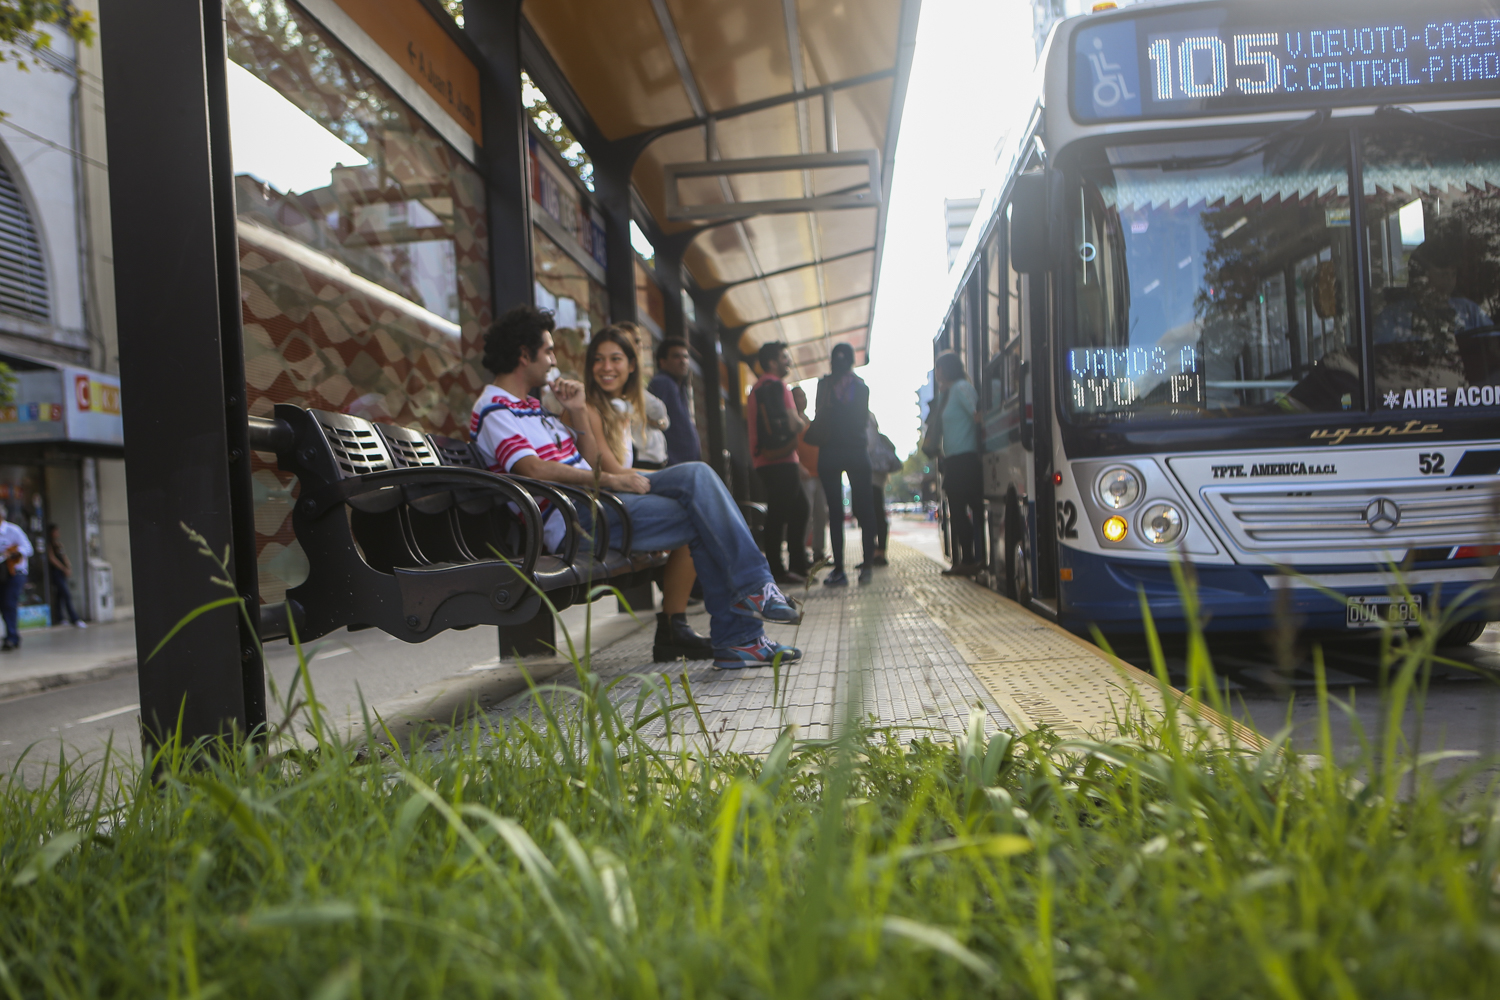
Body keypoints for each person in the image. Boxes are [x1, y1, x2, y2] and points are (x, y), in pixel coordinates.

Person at [473, 305, 801, 670]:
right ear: (523, 355)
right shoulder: (494, 410)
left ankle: (753, 595)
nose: (552, 360)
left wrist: (577, 411)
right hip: (574, 519)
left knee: (697, 475)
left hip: (597, 502)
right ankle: (741, 633)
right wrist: (611, 480)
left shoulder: (532, 407)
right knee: (703, 515)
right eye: (548, 351)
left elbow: (588, 460)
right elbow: (532, 469)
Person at [563, 325, 712, 663]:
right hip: (590, 511)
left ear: (632, 365)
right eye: (598, 360)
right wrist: (669, 478)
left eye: (616, 358)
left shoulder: (620, 409)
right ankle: (683, 624)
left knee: (696, 494)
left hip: (607, 501)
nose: (606, 367)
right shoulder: (584, 407)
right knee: (695, 497)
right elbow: (608, 472)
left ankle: (677, 625)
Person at [745, 342, 810, 585]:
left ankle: (795, 565)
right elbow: (795, 424)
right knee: (780, 514)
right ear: (772, 362)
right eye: (784, 357)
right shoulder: (779, 386)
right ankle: (779, 570)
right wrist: (801, 420)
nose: (788, 361)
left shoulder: (756, 389)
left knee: (796, 509)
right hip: (783, 459)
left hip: (764, 458)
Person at [815, 343, 877, 587]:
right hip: (855, 451)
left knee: (836, 512)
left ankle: (839, 570)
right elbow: (861, 421)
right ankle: (867, 567)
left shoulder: (824, 385)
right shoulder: (861, 388)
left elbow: (820, 414)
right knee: (865, 508)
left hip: (830, 452)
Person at [934, 351, 984, 576]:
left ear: (946, 369)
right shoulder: (949, 392)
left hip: (965, 459)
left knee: (960, 508)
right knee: (957, 509)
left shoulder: (961, 388)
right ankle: (968, 558)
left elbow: (977, 415)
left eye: (939, 369)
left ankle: (970, 558)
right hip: (954, 460)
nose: (937, 374)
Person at [647, 337, 702, 466]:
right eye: (677, 356)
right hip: (673, 466)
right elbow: (653, 423)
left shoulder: (678, 387)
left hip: (684, 466)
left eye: (686, 357)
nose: (683, 361)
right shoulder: (662, 383)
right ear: (663, 362)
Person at [792, 385, 827, 565]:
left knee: (821, 514)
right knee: (805, 515)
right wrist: (799, 467)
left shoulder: (811, 422)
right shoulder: (793, 423)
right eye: (799, 396)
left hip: (819, 475)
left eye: (804, 396)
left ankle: (819, 553)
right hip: (804, 476)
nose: (803, 399)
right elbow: (791, 448)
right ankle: (801, 554)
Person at [865, 414, 899, 567]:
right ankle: (875, 551)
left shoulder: (866, 417)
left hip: (873, 474)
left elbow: (869, 445)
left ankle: (878, 552)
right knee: (874, 513)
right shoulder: (868, 417)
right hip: (875, 475)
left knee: (875, 513)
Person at [0, 507, 33, 651]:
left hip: (16, 573)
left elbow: (28, 549)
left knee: (9, 603)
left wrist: (14, 552)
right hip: (1, 572)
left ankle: (12, 637)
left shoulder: (13, 530)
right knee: (3, 605)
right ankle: (10, 635)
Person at [46, 524, 84, 628]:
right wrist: (62, 568)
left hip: (62, 572)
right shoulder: (49, 544)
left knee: (60, 595)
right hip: (56, 572)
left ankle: (60, 617)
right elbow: (52, 558)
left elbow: (64, 555)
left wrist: (68, 567)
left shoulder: (59, 544)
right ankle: (74, 618)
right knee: (66, 594)